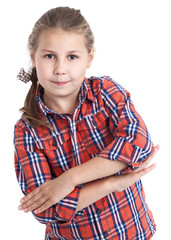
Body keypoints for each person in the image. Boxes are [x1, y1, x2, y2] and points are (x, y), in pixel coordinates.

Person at [14, 6, 159, 240]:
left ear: (89, 58)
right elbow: (46, 208)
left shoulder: (106, 93)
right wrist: (110, 184)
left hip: (135, 233)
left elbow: (139, 145)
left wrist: (67, 181)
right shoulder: (27, 131)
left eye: (72, 57)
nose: (60, 69)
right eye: (49, 56)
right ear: (33, 56)